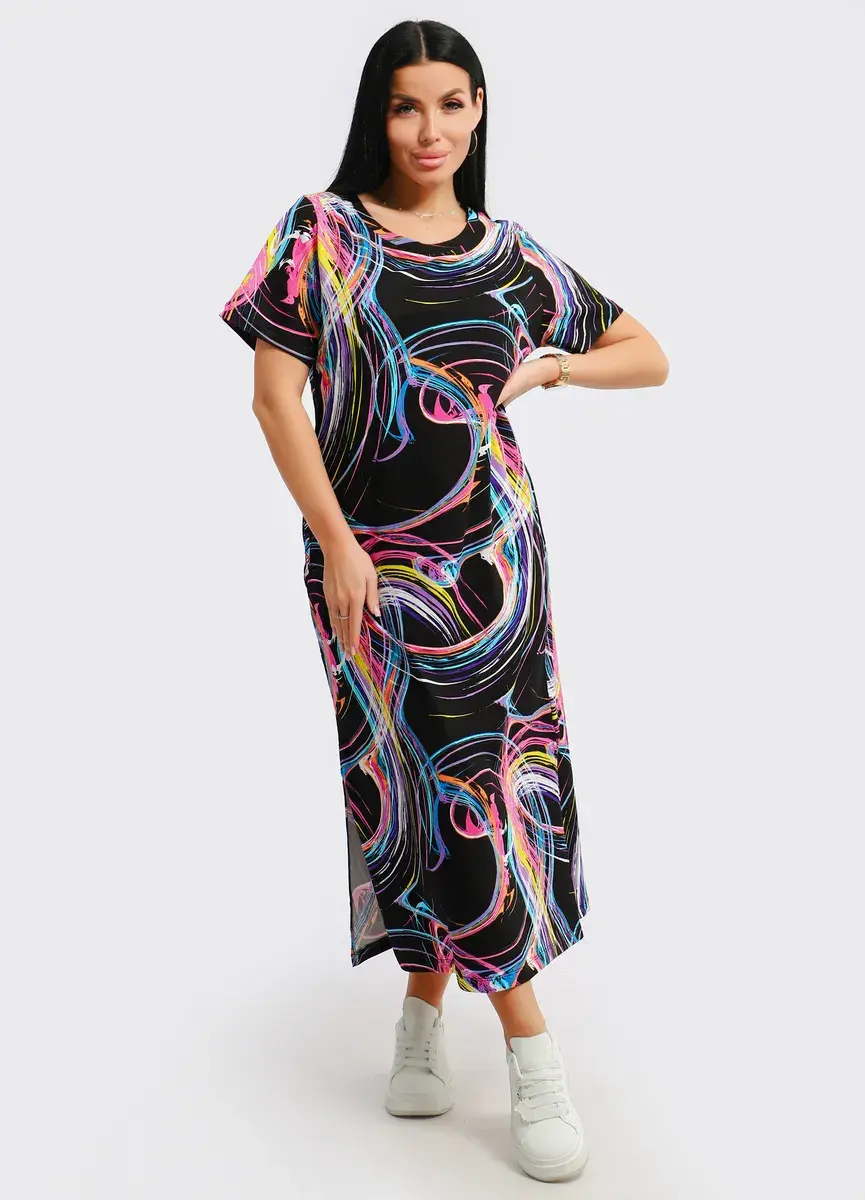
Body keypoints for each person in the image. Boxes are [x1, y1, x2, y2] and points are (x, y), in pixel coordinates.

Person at [219, 18, 668, 1184]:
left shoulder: (509, 256)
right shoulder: (320, 233)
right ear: (377, 112)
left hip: (497, 564)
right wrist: (338, 542)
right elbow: (274, 401)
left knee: (481, 780)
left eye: (453, 104)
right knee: (410, 772)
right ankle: (504, 1037)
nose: (432, 129)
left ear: (479, 111)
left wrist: (558, 365)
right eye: (408, 105)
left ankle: (470, 1035)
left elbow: (648, 352)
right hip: (367, 567)